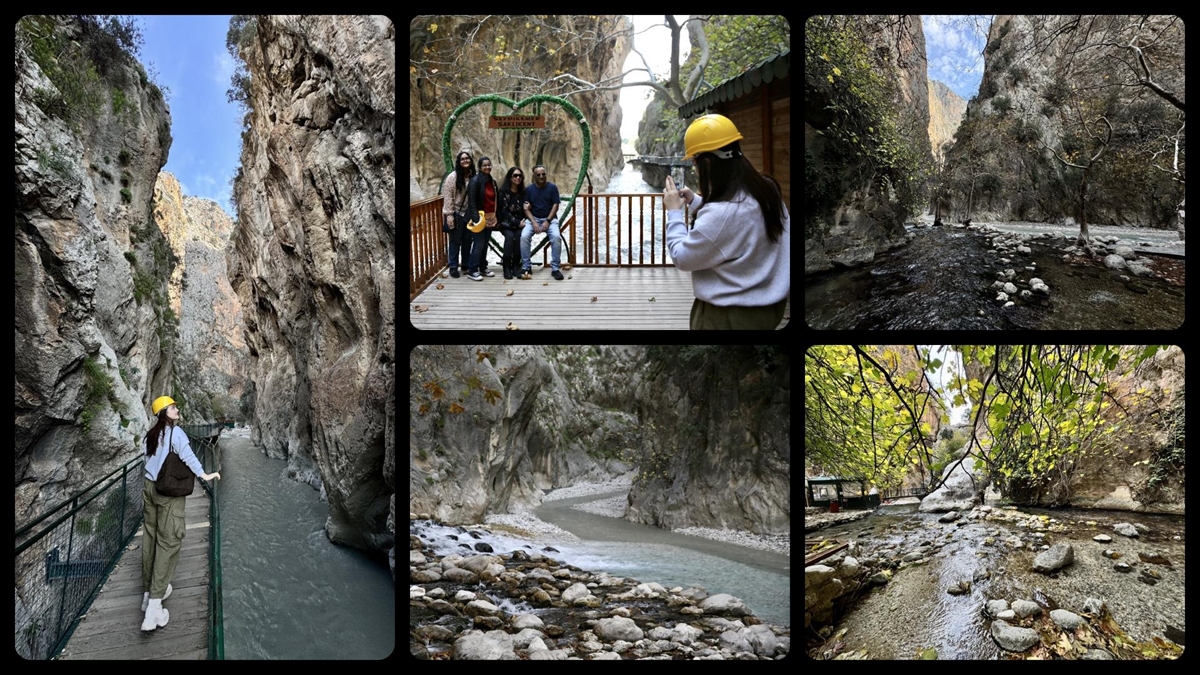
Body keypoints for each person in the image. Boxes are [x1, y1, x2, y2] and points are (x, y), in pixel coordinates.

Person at [663, 113, 790, 329]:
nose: (694, 168)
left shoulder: (722, 214)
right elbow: (733, 224)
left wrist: (674, 212)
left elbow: (682, 257)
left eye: (695, 162)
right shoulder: (767, 189)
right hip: (769, 308)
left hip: (729, 315)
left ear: (708, 164)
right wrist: (695, 201)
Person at [140, 396, 220, 632]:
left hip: (148, 488)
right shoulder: (176, 433)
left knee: (150, 539)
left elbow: (148, 460)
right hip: (167, 493)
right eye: (173, 407)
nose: (177, 409)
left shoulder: (151, 435)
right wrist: (204, 475)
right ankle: (154, 608)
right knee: (169, 542)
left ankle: (147, 594)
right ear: (165, 412)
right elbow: (187, 455)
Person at [519, 164, 563, 280]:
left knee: (556, 237)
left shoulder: (552, 188)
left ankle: (555, 268)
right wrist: (533, 222)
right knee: (524, 236)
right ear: (534, 176)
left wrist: (548, 221)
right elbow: (525, 208)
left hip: (550, 219)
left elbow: (555, 205)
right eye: (538, 175)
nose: (541, 176)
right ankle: (526, 266)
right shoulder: (529, 190)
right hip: (533, 218)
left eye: (543, 174)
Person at [440, 151, 476, 278]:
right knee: (455, 240)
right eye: (462, 159)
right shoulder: (452, 177)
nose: (465, 161)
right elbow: (448, 196)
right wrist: (449, 215)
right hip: (456, 212)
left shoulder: (474, 176)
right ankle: (453, 266)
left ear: (471, 161)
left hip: (469, 213)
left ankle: (465, 264)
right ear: (459, 162)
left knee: (467, 240)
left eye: (467, 158)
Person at [465, 156, 499, 281]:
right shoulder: (475, 181)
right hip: (479, 217)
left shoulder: (491, 180)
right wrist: (476, 219)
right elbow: (472, 202)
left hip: (490, 217)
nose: (487, 167)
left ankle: (483, 267)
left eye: (489, 165)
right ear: (479, 167)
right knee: (479, 244)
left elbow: (495, 199)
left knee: (484, 243)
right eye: (484, 165)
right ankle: (472, 270)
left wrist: (496, 216)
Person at [496, 166, 527, 279]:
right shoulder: (503, 191)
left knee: (519, 236)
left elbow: (526, 207)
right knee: (509, 237)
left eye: (520, 175)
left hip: (520, 223)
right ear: (510, 177)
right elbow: (503, 211)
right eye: (515, 175)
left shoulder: (523, 192)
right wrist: (516, 222)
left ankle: (515, 265)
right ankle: (506, 267)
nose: (518, 178)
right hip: (506, 223)